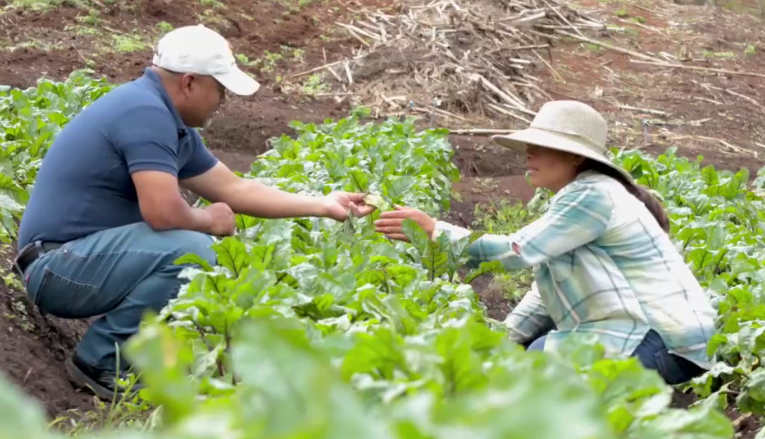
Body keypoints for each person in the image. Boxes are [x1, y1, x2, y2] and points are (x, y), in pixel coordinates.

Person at [14, 24, 375, 399]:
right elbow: (163, 213)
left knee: (196, 247)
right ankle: (101, 363)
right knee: (196, 251)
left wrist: (323, 205)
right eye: (220, 89)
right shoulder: (145, 113)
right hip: (57, 268)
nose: (222, 100)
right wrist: (209, 221)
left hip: (77, 262)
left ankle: (128, 360)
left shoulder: (164, 118)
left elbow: (236, 189)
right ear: (189, 82)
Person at [374, 100, 717, 385]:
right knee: (526, 357)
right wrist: (497, 343)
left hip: (664, 342)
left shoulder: (593, 195)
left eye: (543, 147)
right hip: (656, 337)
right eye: (529, 145)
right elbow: (541, 296)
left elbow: (515, 252)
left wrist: (436, 232)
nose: (529, 154)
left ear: (575, 157)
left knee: (540, 369)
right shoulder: (577, 200)